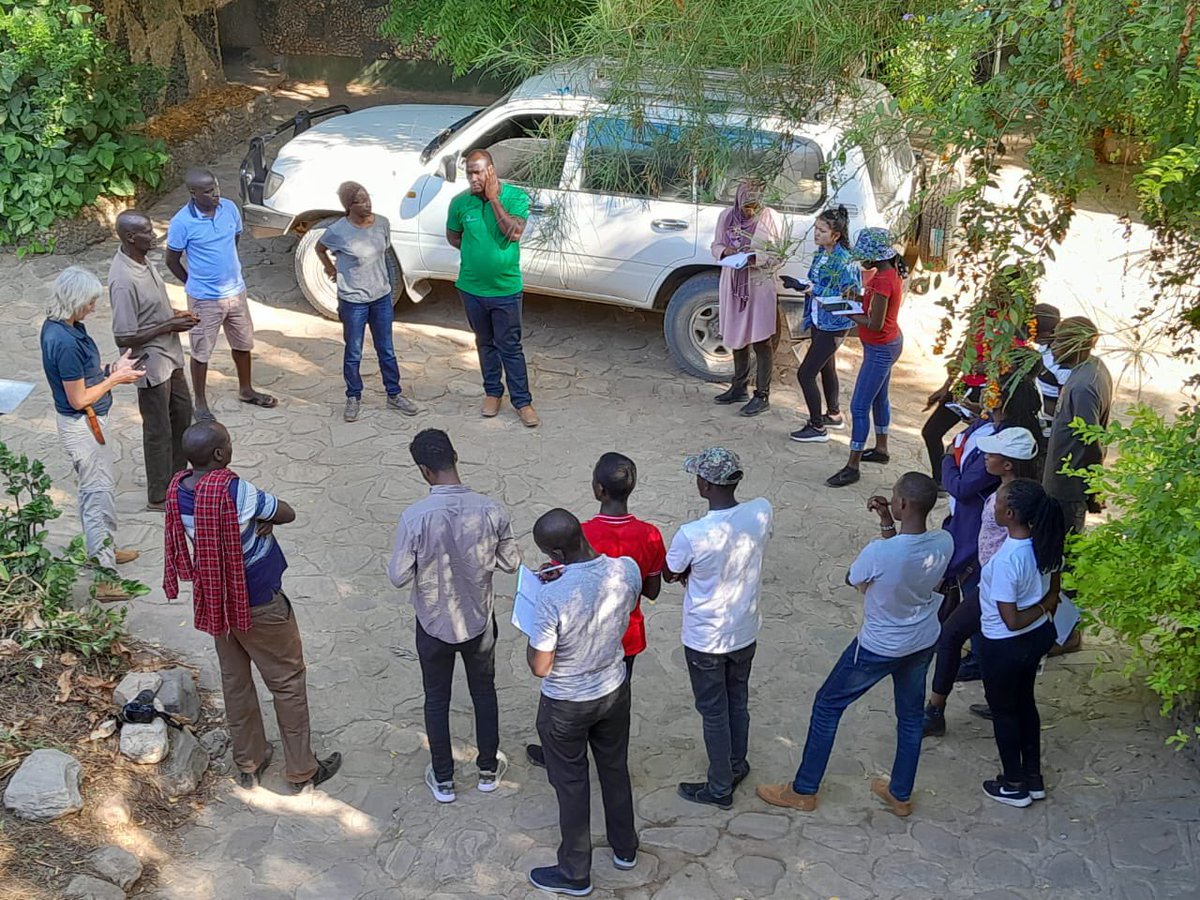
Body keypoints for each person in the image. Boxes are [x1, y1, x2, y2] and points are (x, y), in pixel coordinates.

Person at [757, 472, 951, 817]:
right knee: (909, 717)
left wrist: (885, 535)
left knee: (827, 705)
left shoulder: (880, 552)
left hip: (880, 644)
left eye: (894, 497)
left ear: (903, 503)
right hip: (921, 638)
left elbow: (854, 577)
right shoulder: (943, 542)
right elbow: (902, 561)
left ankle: (804, 789)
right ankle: (900, 793)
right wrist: (887, 522)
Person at [163, 421, 341, 793]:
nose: (230, 447)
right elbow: (287, 512)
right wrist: (263, 520)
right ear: (219, 454)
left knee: (236, 682)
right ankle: (301, 770)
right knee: (287, 681)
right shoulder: (236, 491)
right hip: (258, 600)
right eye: (227, 443)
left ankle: (249, 762)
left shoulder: (178, 491)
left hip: (217, 602)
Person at [387, 428, 520, 803]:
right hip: (478, 619)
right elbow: (512, 562)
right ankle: (488, 770)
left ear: (424, 471)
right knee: (484, 692)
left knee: (436, 698)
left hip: (432, 622)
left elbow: (398, 576)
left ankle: (443, 778)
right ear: (455, 457)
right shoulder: (492, 509)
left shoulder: (414, 517)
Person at [526, 509, 641, 896]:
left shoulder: (551, 595)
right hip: (612, 687)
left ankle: (576, 872)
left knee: (572, 785)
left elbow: (540, 666)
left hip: (566, 703)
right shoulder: (627, 570)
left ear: (556, 552)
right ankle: (625, 847)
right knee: (614, 767)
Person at [527, 452, 665, 770]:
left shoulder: (581, 533)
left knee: (572, 698)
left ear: (598, 490)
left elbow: (567, 577)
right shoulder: (650, 534)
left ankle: (561, 753)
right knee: (615, 697)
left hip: (580, 634)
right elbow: (653, 590)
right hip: (626, 634)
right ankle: (609, 754)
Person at [664, 447, 773, 808]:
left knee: (713, 710)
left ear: (707, 486)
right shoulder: (760, 511)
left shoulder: (692, 534)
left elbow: (670, 572)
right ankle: (736, 763)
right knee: (737, 699)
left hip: (705, 637)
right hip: (744, 629)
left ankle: (719, 786)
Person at [923, 426, 1040, 738]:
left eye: (992, 453)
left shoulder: (1009, 500)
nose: (984, 456)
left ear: (1009, 464)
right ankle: (1000, 701)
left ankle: (936, 710)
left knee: (953, 635)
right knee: (988, 643)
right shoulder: (1022, 493)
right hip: (991, 577)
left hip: (995, 584)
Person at [40, 266, 144, 600]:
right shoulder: (65, 342)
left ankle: (104, 551)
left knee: (95, 493)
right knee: (97, 496)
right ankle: (104, 577)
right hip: (83, 426)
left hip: (83, 424)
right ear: (74, 301)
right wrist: (115, 380)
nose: (93, 308)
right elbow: (79, 397)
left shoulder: (63, 326)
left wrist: (110, 369)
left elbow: (84, 375)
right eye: (89, 302)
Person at [976, 478, 1067, 807]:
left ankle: (1014, 784)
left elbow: (1010, 619)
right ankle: (1033, 777)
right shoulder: (1046, 542)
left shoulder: (1005, 562)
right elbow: (1054, 584)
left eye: (998, 503)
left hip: (1005, 645)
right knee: (1025, 703)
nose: (994, 505)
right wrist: (1048, 602)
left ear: (1010, 513)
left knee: (1004, 713)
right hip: (1037, 637)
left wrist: (1043, 605)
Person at [166, 168, 276, 421]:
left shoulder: (229, 209)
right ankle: (201, 403)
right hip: (204, 298)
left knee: (243, 343)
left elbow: (234, 239)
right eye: (207, 191)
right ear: (193, 193)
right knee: (201, 349)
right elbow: (172, 259)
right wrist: (192, 282)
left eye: (215, 187)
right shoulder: (182, 222)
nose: (215, 194)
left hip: (235, 291)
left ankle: (246, 390)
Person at [108, 210, 197, 511]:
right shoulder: (122, 280)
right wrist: (168, 326)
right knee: (158, 429)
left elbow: (151, 309)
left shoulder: (142, 260)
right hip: (151, 363)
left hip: (169, 356)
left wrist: (174, 315)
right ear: (131, 237)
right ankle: (159, 495)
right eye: (147, 231)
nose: (154, 234)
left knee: (182, 416)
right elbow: (124, 337)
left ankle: (178, 479)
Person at [446, 149, 538, 427]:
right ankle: (492, 392)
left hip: (505, 290)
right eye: (469, 173)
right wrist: (477, 255)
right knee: (485, 344)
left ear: (491, 171)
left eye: (478, 172)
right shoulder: (460, 203)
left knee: (510, 347)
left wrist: (493, 199)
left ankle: (522, 402)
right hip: (472, 289)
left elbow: (514, 232)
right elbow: (453, 237)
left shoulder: (515, 198)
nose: (472, 178)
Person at [315, 182, 419, 423]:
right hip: (353, 301)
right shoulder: (338, 231)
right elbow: (320, 249)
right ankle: (353, 396)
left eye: (368, 198)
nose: (367, 203)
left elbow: (384, 252)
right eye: (360, 201)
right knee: (354, 351)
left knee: (387, 349)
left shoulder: (382, 223)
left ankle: (394, 394)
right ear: (349, 206)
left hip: (381, 297)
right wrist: (330, 269)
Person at [827, 228, 907, 488]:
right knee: (879, 398)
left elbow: (874, 323)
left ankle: (853, 465)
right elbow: (874, 305)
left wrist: (845, 312)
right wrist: (857, 299)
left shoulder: (884, 280)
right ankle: (881, 449)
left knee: (859, 406)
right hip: (887, 344)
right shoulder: (885, 274)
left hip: (880, 347)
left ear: (873, 255)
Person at [710, 181, 783, 418]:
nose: (750, 211)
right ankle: (738, 386)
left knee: (761, 340)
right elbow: (716, 244)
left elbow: (776, 254)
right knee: (736, 336)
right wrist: (727, 252)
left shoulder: (769, 217)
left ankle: (762, 395)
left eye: (755, 206)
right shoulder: (727, 216)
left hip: (758, 285)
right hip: (732, 283)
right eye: (747, 206)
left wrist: (754, 257)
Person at [788, 205, 861, 442]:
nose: (816, 234)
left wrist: (811, 288)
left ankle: (817, 427)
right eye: (816, 229)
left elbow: (849, 295)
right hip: (819, 319)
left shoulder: (845, 261)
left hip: (835, 324)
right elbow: (815, 281)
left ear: (836, 234)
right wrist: (803, 284)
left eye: (821, 230)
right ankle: (834, 414)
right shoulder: (821, 253)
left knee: (806, 373)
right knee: (827, 366)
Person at [1043, 316, 1111, 536]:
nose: (1053, 347)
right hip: (1063, 481)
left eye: (1060, 341)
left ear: (1079, 344)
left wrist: (1093, 489)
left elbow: (1091, 442)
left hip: (1068, 487)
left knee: (1064, 548)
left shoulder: (1084, 386)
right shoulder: (1092, 367)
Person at [1031, 303, 1070, 420]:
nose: (1030, 335)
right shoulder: (1044, 347)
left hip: (1050, 419)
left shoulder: (1063, 366)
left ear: (1046, 334)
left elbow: (1064, 405)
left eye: (1033, 331)